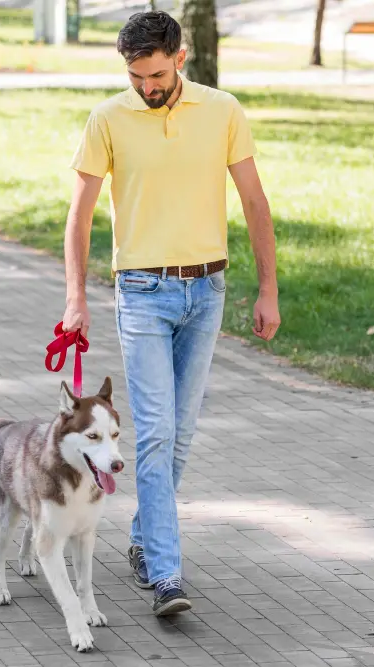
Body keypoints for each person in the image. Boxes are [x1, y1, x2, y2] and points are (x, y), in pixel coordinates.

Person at [61, 11, 281, 617]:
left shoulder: (223, 111)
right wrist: (75, 296)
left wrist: (269, 290)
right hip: (142, 292)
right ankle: (166, 575)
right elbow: (79, 215)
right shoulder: (108, 118)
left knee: (178, 437)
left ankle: (142, 541)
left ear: (180, 58)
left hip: (207, 290)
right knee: (155, 433)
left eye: (156, 74)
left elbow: (255, 202)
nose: (146, 86)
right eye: (136, 76)